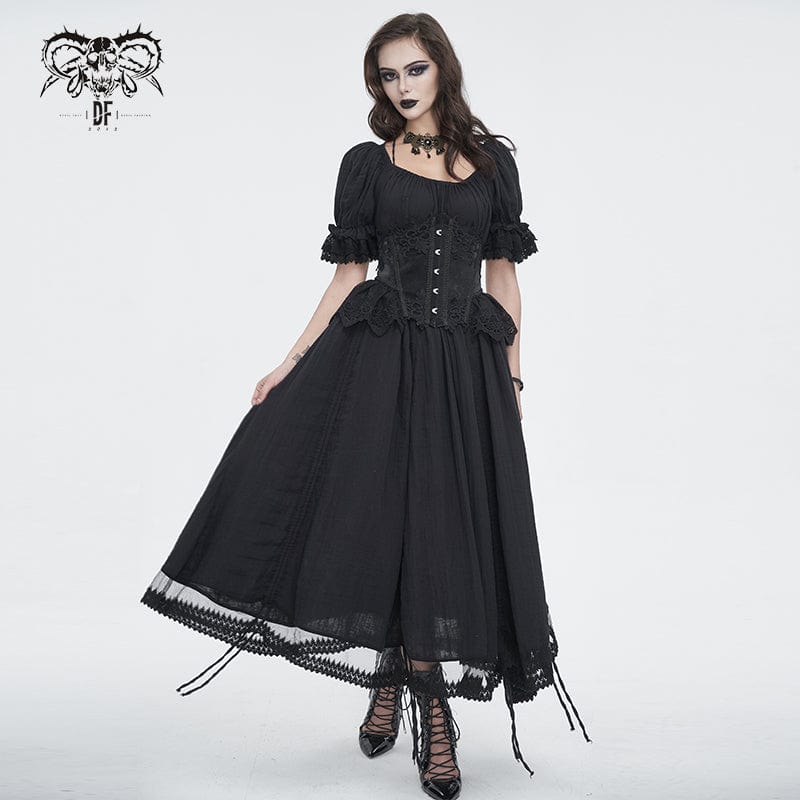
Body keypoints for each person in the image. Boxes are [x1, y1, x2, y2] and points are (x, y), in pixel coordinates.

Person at [139, 12, 591, 800]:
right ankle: (431, 713)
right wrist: (289, 362)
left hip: (466, 370)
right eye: (388, 74)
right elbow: (349, 276)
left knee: (441, 528)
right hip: (378, 361)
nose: (402, 86)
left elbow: (505, 278)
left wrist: (513, 380)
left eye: (415, 69)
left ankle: (393, 682)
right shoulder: (366, 165)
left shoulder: (493, 164)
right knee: (384, 519)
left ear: (442, 67)